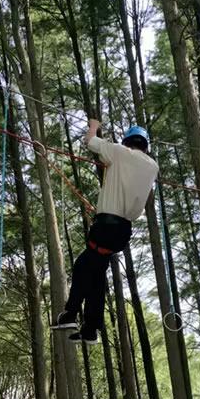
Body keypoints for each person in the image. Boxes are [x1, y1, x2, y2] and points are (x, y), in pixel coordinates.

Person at [51, 119, 158, 344]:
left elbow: (90, 141)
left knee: (83, 267)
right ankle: (90, 329)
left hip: (106, 227)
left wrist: (93, 126)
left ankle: (70, 314)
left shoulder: (120, 153)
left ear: (127, 142)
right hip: (122, 231)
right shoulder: (152, 166)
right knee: (96, 273)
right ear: (145, 145)